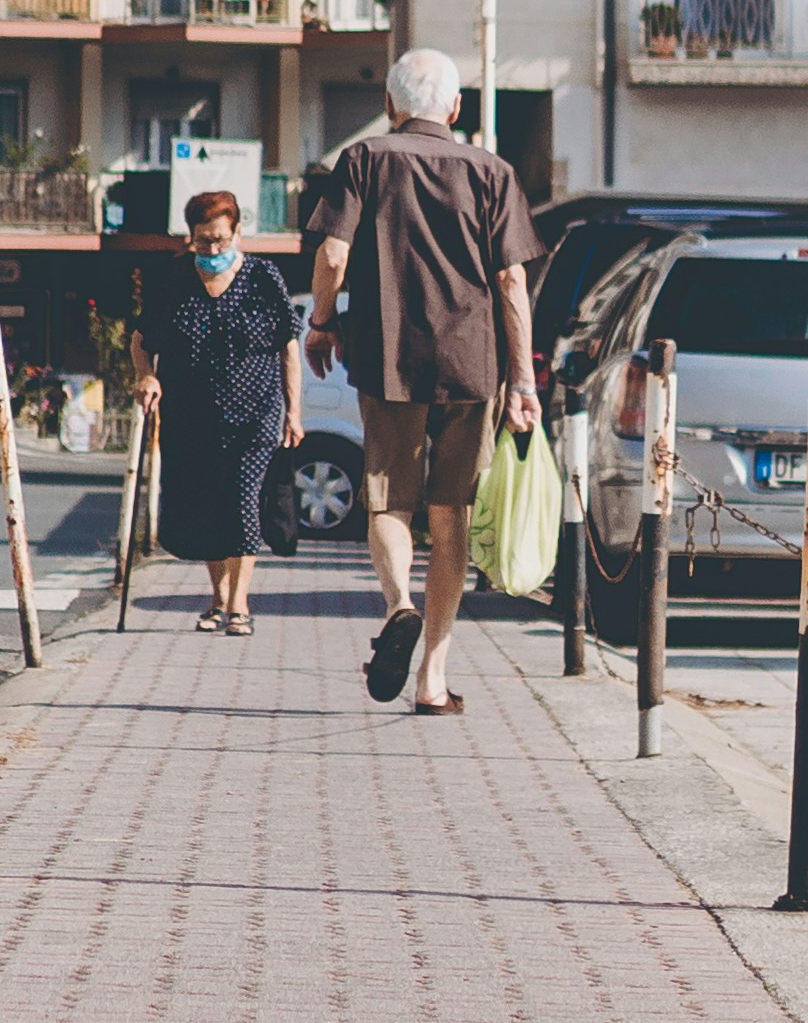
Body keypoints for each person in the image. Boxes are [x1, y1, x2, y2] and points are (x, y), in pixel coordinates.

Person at [299, 54, 538, 715]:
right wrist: (522, 380)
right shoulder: (493, 171)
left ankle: (397, 603)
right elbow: (512, 282)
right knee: (449, 512)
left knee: (387, 503)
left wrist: (321, 322)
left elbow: (332, 253)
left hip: (386, 356)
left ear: (389, 100)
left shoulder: (363, 159)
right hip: (472, 362)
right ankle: (432, 679)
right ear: (455, 108)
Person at [134, 188, 304, 639]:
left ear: (237, 233)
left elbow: (288, 347)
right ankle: (217, 597)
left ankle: (238, 603)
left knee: (242, 501)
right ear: (190, 237)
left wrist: (294, 410)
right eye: (203, 241)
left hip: (256, 414)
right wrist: (146, 377)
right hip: (192, 415)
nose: (212, 250)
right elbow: (142, 339)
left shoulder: (264, 277)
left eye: (220, 241)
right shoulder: (173, 280)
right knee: (209, 507)